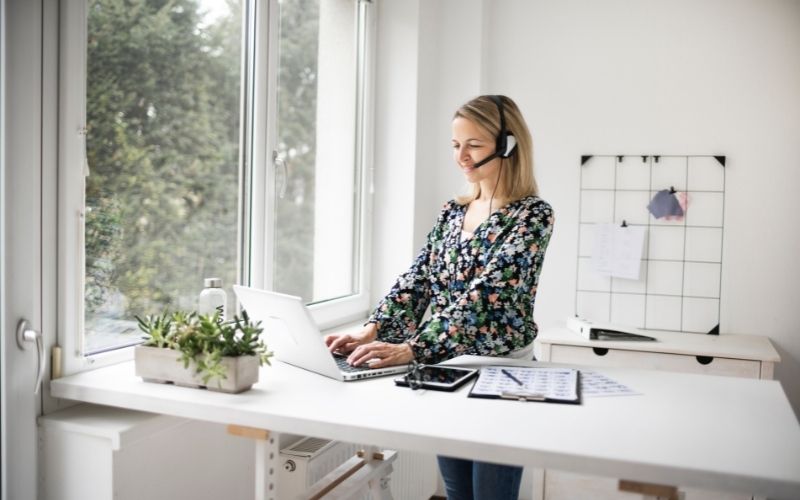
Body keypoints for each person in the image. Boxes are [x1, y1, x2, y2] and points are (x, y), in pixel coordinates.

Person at [325, 94, 554, 500]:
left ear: (507, 145)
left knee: (491, 495)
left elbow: (488, 296)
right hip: (447, 367)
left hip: (502, 374)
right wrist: (371, 328)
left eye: (474, 145)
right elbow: (421, 276)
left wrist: (414, 347)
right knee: (456, 491)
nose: (461, 156)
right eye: (455, 145)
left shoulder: (532, 215)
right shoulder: (453, 210)